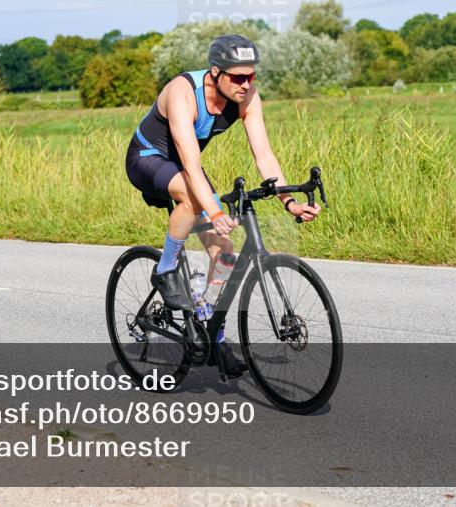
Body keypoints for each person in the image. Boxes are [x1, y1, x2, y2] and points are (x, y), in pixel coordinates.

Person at [124, 34, 321, 377]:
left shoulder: (248, 97)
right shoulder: (183, 92)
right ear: (216, 73)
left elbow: (264, 154)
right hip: (148, 160)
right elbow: (190, 163)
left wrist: (288, 202)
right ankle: (165, 268)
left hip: (187, 169)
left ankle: (214, 335)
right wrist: (214, 213)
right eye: (238, 77)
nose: (246, 84)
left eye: (251, 76)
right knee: (190, 196)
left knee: (225, 253)